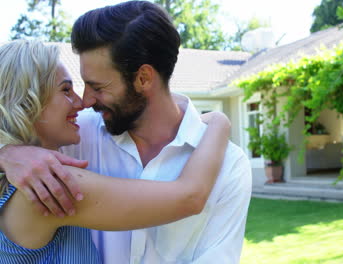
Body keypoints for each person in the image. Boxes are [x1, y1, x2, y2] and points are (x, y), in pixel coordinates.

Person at [0, 1, 252, 263]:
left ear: (143, 78)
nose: (84, 101)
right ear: (29, 106)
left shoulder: (229, 165)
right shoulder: (58, 165)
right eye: (68, 90)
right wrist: (7, 153)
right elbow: (189, 196)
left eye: (97, 87)